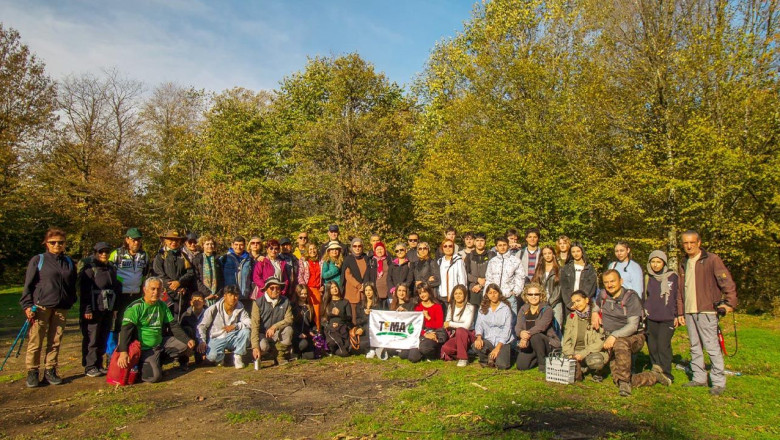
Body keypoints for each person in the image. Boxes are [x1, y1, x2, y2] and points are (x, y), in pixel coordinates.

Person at [676, 230, 738, 396]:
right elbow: (680, 290)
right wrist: (680, 311)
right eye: (685, 243)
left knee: (711, 346)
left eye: (692, 242)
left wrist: (730, 302)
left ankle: (718, 381)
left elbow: (726, 281)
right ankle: (699, 377)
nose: (689, 246)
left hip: (707, 310)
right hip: (689, 310)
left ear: (699, 243)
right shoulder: (683, 263)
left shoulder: (711, 259)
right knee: (695, 346)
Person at [20, 228, 77, 388]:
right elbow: (28, 285)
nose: (57, 245)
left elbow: (72, 284)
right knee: (35, 340)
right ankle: (32, 372)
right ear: (46, 243)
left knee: (55, 341)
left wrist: (71, 300)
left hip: (61, 308)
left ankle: (50, 370)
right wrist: (27, 305)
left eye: (61, 242)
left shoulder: (69, 262)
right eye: (53, 242)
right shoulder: (38, 260)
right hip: (41, 307)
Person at [599, 270, 669, 397]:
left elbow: (633, 326)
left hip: (634, 337)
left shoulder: (631, 297)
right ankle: (653, 376)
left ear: (621, 281)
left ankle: (625, 384)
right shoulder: (603, 295)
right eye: (606, 282)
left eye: (613, 281)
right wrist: (594, 312)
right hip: (610, 338)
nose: (609, 285)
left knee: (620, 344)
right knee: (617, 376)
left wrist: (614, 336)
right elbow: (594, 306)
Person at [116, 277, 195, 383]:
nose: (156, 292)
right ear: (145, 289)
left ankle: (157, 362)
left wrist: (187, 339)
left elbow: (173, 325)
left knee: (185, 346)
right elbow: (125, 330)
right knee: (154, 378)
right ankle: (142, 366)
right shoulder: (135, 307)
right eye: (153, 289)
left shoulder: (162, 305)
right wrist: (123, 352)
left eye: (159, 289)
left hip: (160, 343)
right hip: (144, 348)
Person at [79, 242, 121, 377]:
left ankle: (99, 364)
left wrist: (115, 308)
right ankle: (89, 365)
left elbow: (116, 288)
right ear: (95, 253)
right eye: (101, 252)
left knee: (103, 336)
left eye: (106, 252)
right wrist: (87, 310)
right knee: (92, 337)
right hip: (94, 307)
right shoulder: (90, 269)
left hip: (108, 307)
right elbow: (84, 291)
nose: (104, 254)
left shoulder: (111, 268)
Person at [109, 228, 149, 345]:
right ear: (127, 239)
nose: (136, 242)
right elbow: (109, 273)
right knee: (116, 323)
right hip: (120, 295)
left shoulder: (144, 255)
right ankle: (112, 354)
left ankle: (132, 352)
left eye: (138, 240)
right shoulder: (116, 253)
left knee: (134, 322)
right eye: (133, 240)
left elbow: (145, 274)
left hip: (136, 295)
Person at [196, 285, 251, 369]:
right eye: (230, 295)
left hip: (232, 336)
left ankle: (238, 356)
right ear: (225, 296)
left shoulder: (240, 308)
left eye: (236, 295)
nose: (233, 298)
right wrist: (202, 341)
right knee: (212, 357)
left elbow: (249, 322)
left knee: (246, 331)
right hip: (216, 337)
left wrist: (235, 326)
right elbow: (202, 326)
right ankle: (220, 357)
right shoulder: (213, 309)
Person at [645, 250, 679, 383]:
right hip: (651, 316)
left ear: (663, 262)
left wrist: (677, 314)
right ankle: (656, 368)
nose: (655, 265)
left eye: (658, 262)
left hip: (667, 317)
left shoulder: (672, 277)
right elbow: (645, 295)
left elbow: (677, 296)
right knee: (652, 344)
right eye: (653, 262)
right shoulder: (648, 277)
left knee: (663, 345)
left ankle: (666, 373)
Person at [561, 290, 607, 381]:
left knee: (595, 360)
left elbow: (599, 342)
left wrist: (582, 354)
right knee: (563, 359)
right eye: (574, 302)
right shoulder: (571, 316)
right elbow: (566, 339)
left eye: (578, 301)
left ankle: (596, 373)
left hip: (591, 351)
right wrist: (569, 354)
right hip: (575, 350)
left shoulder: (596, 317)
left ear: (586, 300)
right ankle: (582, 369)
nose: (576, 304)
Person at [515, 282, 560, 371]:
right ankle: (537, 357)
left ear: (541, 295)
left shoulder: (547, 309)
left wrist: (525, 337)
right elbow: (518, 326)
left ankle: (543, 363)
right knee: (521, 366)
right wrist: (520, 333)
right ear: (526, 296)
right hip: (529, 342)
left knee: (536, 336)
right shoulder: (523, 309)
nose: (533, 297)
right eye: (530, 294)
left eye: (536, 294)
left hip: (546, 342)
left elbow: (541, 327)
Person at [152, 230, 195, 320]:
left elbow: (190, 273)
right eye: (171, 240)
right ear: (165, 241)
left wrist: (180, 283)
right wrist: (172, 286)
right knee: (163, 320)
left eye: (176, 240)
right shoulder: (160, 256)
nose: (174, 242)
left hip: (181, 294)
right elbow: (159, 274)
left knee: (178, 321)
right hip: (164, 294)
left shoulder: (184, 256)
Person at [251, 277, 294, 366]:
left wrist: (275, 327)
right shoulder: (258, 303)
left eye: (277, 288)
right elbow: (254, 325)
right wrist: (255, 346)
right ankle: (267, 354)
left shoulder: (285, 301)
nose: (275, 290)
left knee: (289, 330)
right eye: (272, 288)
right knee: (263, 346)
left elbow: (289, 319)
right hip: (262, 333)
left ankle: (280, 356)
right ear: (266, 289)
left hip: (277, 332)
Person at [399, 283, 446, 363]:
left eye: (424, 292)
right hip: (421, 334)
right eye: (420, 293)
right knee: (405, 355)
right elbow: (415, 326)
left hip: (434, 334)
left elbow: (439, 325)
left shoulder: (437, 306)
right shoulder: (418, 307)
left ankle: (431, 354)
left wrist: (428, 317)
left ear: (429, 292)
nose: (422, 295)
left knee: (424, 349)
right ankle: (422, 353)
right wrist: (424, 333)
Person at [472, 284, 514, 370]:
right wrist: (479, 338)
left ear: (499, 293)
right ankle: (486, 358)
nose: (493, 295)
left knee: (502, 365)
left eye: (495, 292)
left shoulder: (505, 308)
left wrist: (498, 348)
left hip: (503, 342)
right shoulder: (483, 307)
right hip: (489, 340)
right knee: (475, 345)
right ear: (487, 294)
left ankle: (495, 357)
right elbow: (479, 324)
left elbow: (507, 329)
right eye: (490, 293)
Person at [484, 236, 526, 313]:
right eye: (500, 245)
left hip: (509, 297)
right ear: (496, 247)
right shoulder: (492, 261)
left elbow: (520, 277)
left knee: (510, 322)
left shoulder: (515, 261)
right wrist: (487, 294)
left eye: (504, 245)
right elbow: (489, 279)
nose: (502, 247)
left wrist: (515, 292)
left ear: (508, 246)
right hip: (494, 297)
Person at [440, 285, 476, 367]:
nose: (458, 295)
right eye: (456, 293)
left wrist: (451, 324)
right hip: (456, 335)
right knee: (446, 348)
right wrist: (449, 323)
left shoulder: (470, 307)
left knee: (460, 330)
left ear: (465, 295)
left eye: (460, 293)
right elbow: (447, 321)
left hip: (468, 334)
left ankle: (463, 358)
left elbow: (466, 326)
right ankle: (466, 353)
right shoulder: (451, 306)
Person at [560, 242, 598, 315]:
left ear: (582, 252)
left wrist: (581, 302)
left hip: (584, 304)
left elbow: (590, 288)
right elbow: (564, 288)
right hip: (570, 305)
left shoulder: (589, 268)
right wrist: (570, 303)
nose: (576, 254)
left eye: (578, 251)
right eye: (573, 252)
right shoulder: (566, 268)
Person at [531, 246, 562, 331]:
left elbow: (559, 289)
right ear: (542, 256)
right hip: (541, 302)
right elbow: (535, 285)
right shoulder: (539, 269)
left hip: (555, 303)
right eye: (545, 253)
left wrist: (550, 303)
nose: (547, 255)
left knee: (557, 328)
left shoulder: (559, 270)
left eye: (549, 253)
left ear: (553, 255)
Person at [220, 236, 255, 309]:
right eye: (236, 244)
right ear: (232, 245)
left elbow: (252, 277)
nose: (238, 247)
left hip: (245, 296)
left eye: (241, 245)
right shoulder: (224, 258)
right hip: (230, 295)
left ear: (244, 246)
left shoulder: (249, 260)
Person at [341, 238, 369, 323]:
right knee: (353, 317)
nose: (357, 248)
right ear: (351, 247)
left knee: (364, 316)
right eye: (355, 246)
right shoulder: (348, 259)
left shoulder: (366, 258)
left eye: (359, 246)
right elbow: (347, 275)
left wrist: (365, 285)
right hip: (352, 291)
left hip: (364, 291)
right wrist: (359, 285)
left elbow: (369, 272)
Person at [321, 281, 352, 357]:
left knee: (344, 353)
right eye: (332, 288)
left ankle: (338, 350)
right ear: (329, 290)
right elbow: (322, 320)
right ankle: (333, 348)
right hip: (330, 329)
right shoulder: (326, 303)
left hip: (342, 328)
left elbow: (349, 318)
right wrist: (330, 325)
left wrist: (340, 314)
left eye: (335, 287)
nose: (335, 289)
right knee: (332, 342)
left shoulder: (345, 302)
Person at [298, 242, 323, 331]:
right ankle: (306, 330)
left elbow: (323, 275)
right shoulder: (303, 261)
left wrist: (322, 285)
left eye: (314, 249)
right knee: (307, 310)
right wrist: (303, 287)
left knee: (317, 312)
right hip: (307, 288)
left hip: (317, 290)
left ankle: (318, 331)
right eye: (310, 249)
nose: (313, 251)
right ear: (307, 251)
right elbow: (300, 275)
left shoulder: (321, 261)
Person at [192, 234, 223, 307]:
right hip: (203, 295)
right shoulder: (197, 259)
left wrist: (218, 293)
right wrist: (208, 293)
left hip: (216, 296)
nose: (210, 246)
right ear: (202, 245)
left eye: (212, 244)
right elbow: (196, 278)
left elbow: (221, 278)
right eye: (207, 244)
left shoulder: (218, 259)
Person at [355, 282, 382, 357]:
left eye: (370, 290)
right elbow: (357, 321)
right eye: (366, 290)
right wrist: (365, 316)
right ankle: (372, 348)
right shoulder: (360, 305)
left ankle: (372, 349)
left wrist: (370, 315)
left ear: (374, 291)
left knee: (369, 327)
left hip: (375, 329)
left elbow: (380, 320)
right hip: (363, 329)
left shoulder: (379, 304)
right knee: (359, 346)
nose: (368, 292)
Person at [437, 239, 467, 305]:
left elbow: (462, 279)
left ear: (453, 248)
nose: (448, 248)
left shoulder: (458, 261)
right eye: (445, 246)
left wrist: (463, 294)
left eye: (450, 246)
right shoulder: (439, 262)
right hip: (442, 296)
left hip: (455, 295)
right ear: (442, 248)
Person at [180, 291, 207, 364]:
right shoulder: (186, 315)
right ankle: (184, 361)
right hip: (191, 340)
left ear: (204, 302)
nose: (197, 302)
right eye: (195, 300)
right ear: (191, 302)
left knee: (201, 362)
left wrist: (204, 342)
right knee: (186, 330)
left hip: (204, 340)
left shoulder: (209, 314)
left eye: (200, 300)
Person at [292, 285, 318, 359]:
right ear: (297, 294)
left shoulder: (309, 306)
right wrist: (298, 334)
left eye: (305, 294)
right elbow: (291, 323)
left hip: (307, 335)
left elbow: (312, 322)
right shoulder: (293, 306)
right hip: (296, 335)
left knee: (311, 356)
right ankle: (295, 351)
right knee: (303, 344)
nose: (303, 296)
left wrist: (313, 331)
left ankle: (302, 353)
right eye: (301, 294)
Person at [464, 232, 490, 307]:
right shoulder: (469, 256)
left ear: (485, 242)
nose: (479, 243)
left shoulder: (491, 255)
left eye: (482, 240)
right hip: (473, 290)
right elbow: (465, 274)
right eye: (477, 240)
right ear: (474, 242)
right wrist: (477, 279)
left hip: (487, 289)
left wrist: (481, 284)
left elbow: (494, 273)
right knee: (473, 314)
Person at [388, 243, 414, 308]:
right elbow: (389, 278)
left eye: (401, 250)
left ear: (406, 250)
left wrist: (402, 289)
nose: (399, 252)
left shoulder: (410, 264)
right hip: (394, 294)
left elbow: (410, 278)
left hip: (405, 294)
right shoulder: (392, 265)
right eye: (397, 251)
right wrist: (394, 290)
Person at [367, 241, 390, 306]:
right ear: (374, 251)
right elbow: (367, 274)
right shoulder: (371, 261)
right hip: (375, 289)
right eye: (377, 249)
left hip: (386, 289)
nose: (379, 251)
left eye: (381, 249)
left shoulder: (389, 260)